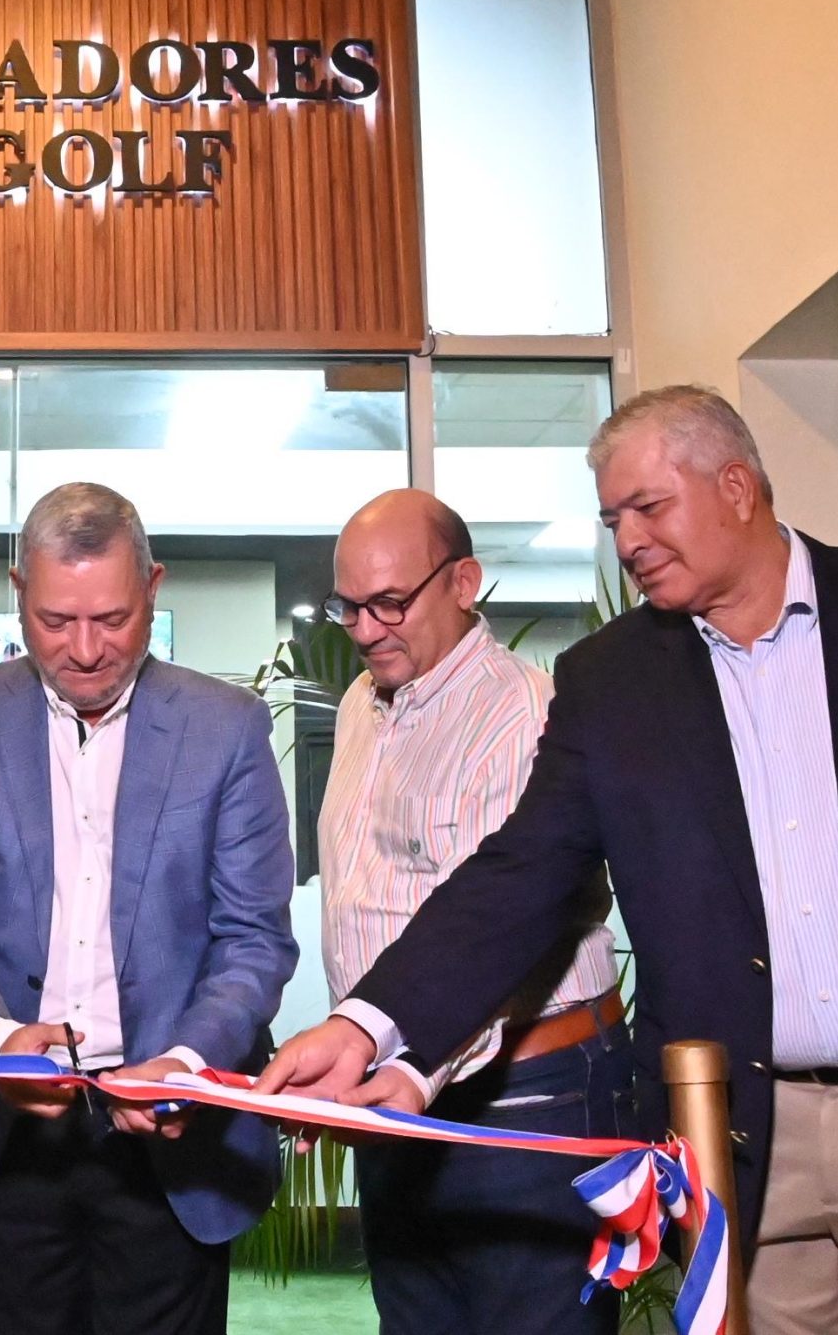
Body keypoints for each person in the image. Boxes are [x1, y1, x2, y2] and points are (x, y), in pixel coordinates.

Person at [261, 386, 838, 1335]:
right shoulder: (611, 680)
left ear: (736, 486)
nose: (629, 540)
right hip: (743, 1140)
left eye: (649, 506)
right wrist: (367, 1025)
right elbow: (520, 873)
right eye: (613, 519)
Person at [0, 482, 299, 1335]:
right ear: (18, 593)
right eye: (55, 620)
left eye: (112, 618)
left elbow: (254, 939)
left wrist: (186, 1062)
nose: (84, 649)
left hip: (171, 1135)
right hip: (13, 1133)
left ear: (153, 587)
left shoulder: (227, 728)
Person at [318, 489, 633, 1335]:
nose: (366, 628)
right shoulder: (359, 705)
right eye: (349, 606)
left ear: (464, 581)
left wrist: (400, 1060)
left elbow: (508, 926)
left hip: (526, 1096)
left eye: (390, 601)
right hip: (392, 1089)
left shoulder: (525, 713)